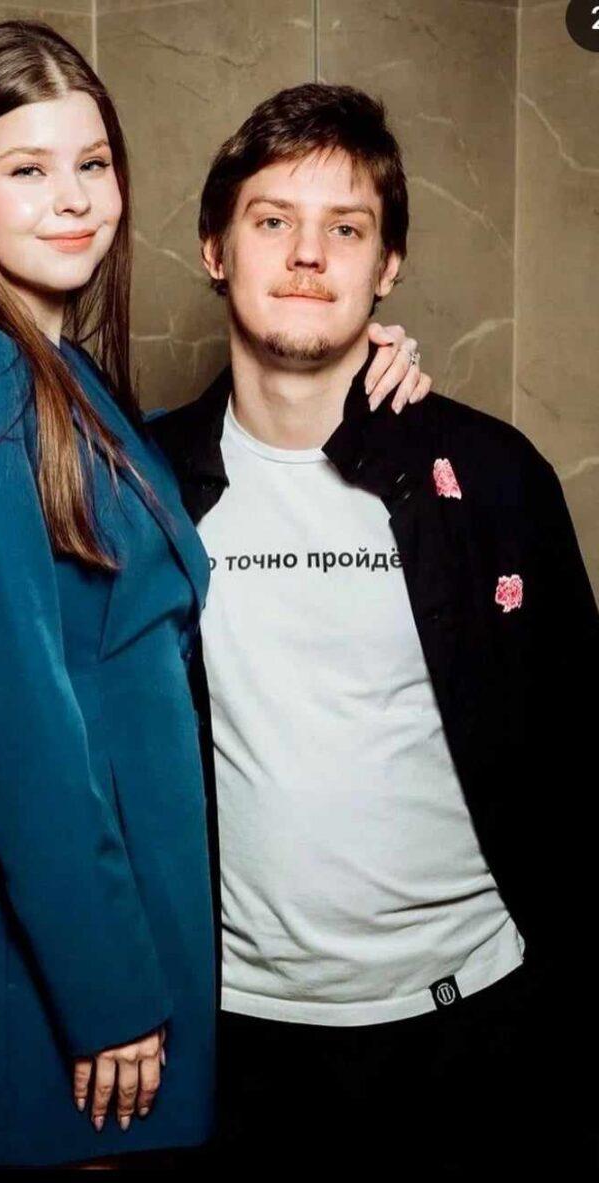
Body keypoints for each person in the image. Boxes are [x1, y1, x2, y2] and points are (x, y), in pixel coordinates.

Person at [0, 24, 426, 1170]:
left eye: (93, 163)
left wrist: (355, 363)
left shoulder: (61, 372)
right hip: (67, 948)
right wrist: (106, 986)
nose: (74, 198)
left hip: (127, 909)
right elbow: (8, 720)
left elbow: (130, 539)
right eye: (28, 169)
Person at [150, 83, 599, 1174]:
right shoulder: (141, 483)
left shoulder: (490, 477)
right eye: (272, 220)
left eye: (345, 229)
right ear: (214, 248)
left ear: (386, 265)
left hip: (476, 1024)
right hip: (240, 1036)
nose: (309, 255)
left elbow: (578, 749)